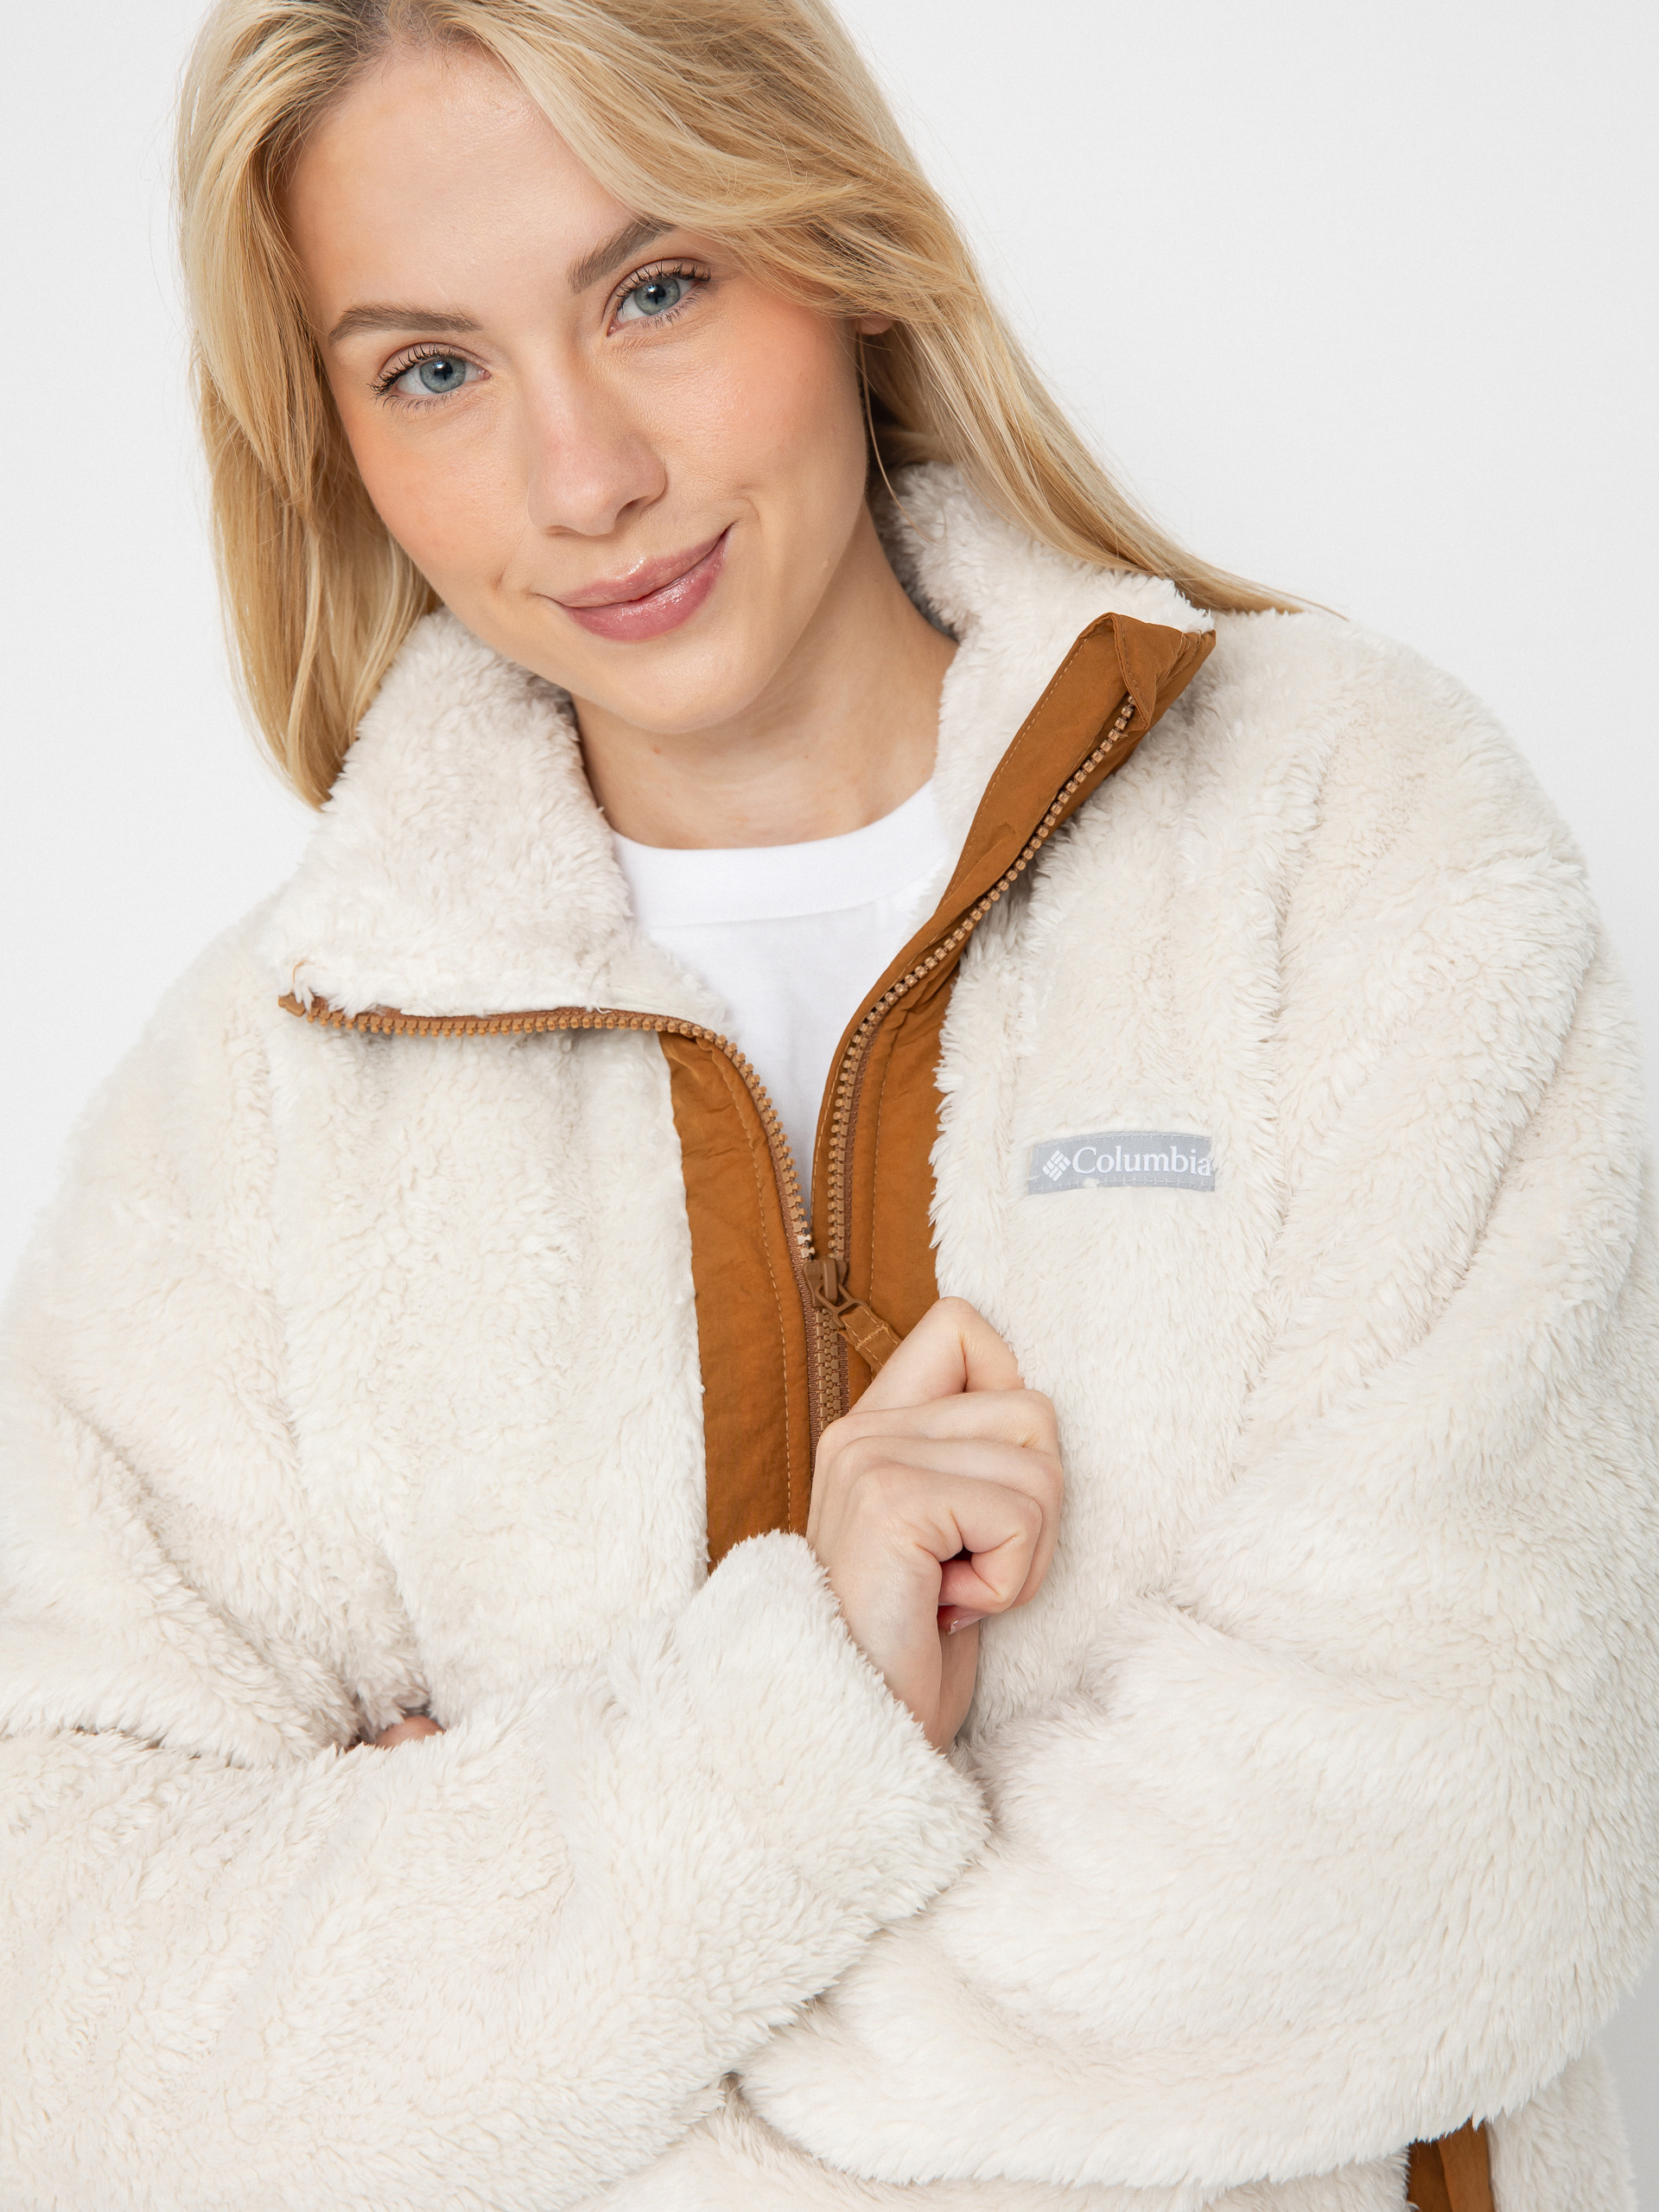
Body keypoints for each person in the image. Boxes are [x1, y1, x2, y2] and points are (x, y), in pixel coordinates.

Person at [1, 0, 1654, 2206]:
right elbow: (73, 2022)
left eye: (656, 288)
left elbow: (1458, 1832)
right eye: (434, 368)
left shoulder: (1348, 843)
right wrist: (784, 1747)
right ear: (335, 438)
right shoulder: (271, 1086)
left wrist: (510, 2036)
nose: (584, 477)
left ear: (844, 251)